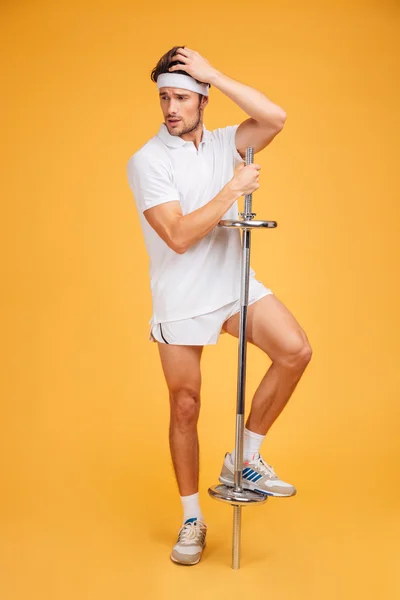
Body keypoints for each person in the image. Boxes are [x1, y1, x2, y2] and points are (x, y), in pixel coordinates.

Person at [126, 46, 312, 566]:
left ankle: (243, 458)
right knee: (185, 405)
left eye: (182, 97)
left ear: (203, 100)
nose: (170, 108)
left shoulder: (228, 141)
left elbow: (274, 117)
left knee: (295, 351)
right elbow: (179, 236)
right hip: (182, 298)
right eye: (164, 97)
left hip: (233, 286)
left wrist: (214, 74)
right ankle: (191, 518)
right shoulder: (148, 161)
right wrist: (234, 188)